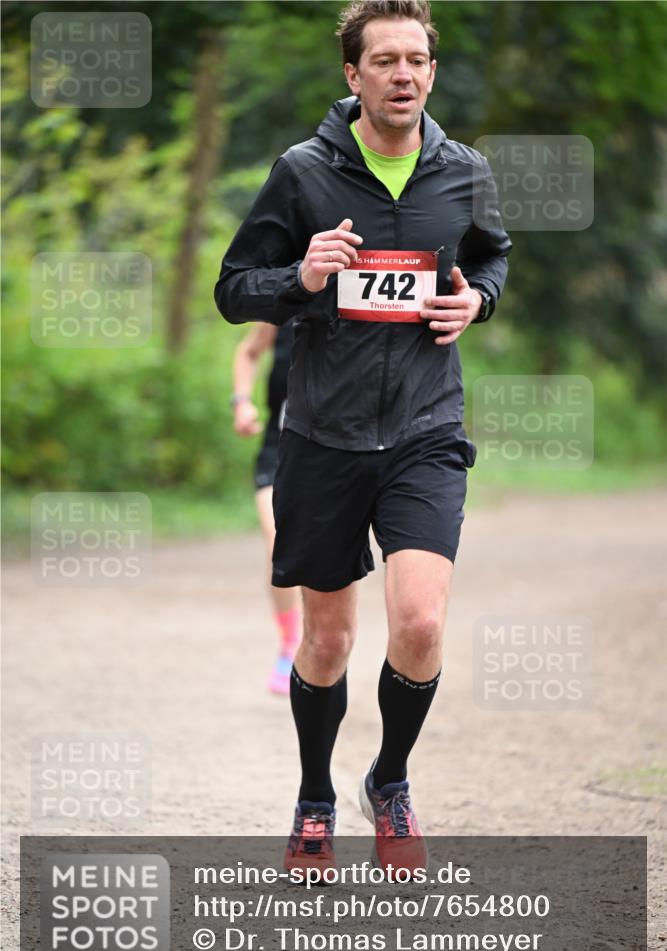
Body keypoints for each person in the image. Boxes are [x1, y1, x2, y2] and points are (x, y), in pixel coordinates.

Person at [215, 0, 511, 875]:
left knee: (418, 620)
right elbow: (236, 289)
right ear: (353, 75)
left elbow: (489, 256)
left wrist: (477, 301)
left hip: (425, 429)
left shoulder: (462, 172)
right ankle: (313, 798)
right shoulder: (303, 172)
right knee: (329, 641)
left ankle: (389, 780)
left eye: (416, 60)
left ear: (430, 70)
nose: (403, 75)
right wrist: (303, 275)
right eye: (383, 60)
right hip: (323, 435)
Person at [231, 319, 301, 695]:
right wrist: (242, 402)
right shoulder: (289, 297)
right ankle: (290, 644)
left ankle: (326, 645)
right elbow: (249, 350)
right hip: (280, 444)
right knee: (279, 544)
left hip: (341, 446)